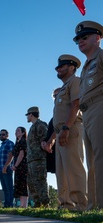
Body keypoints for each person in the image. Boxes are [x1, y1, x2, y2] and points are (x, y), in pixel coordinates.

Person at [46, 55, 87, 211]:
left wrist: (66, 128)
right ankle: (66, 204)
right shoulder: (63, 88)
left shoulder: (75, 82)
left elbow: (75, 105)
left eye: (62, 66)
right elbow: (58, 119)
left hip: (70, 130)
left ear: (71, 67)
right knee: (62, 172)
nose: (58, 69)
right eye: (57, 67)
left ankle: (81, 205)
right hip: (61, 132)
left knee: (74, 168)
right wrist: (51, 139)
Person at [73, 20, 103, 210]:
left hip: (100, 106)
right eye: (78, 40)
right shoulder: (85, 66)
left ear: (98, 38)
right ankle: (94, 205)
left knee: (101, 157)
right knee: (91, 162)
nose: (80, 41)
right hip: (87, 112)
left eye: (84, 37)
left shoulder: (101, 57)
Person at [26, 106, 49, 207]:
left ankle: (45, 203)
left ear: (31, 114)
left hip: (39, 158)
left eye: (28, 115)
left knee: (40, 180)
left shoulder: (40, 125)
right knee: (31, 182)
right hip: (31, 159)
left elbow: (44, 140)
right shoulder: (32, 127)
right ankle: (37, 203)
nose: (27, 117)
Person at [42, 88, 61, 174]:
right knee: (61, 180)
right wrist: (45, 142)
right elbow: (50, 133)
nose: (55, 98)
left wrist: (50, 141)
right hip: (55, 153)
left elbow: (62, 126)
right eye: (54, 96)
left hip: (66, 147)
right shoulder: (53, 118)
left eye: (58, 95)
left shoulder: (69, 110)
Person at [11, 126, 28, 208]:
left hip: (22, 166)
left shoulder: (23, 141)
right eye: (16, 130)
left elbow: (21, 154)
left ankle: (24, 204)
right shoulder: (17, 142)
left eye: (18, 131)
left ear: (23, 133)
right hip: (18, 166)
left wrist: (15, 165)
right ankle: (22, 204)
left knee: (23, 184)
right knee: (19, 184)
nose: (16, 132)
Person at [0, 129, 14, 208]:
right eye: (0, 135)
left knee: (9, 187)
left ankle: (10, 204)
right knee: (4, 188)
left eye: (3, 134)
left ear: (7, 135)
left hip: (6, 169)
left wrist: (6, 166)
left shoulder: (9, 143)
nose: (1, 136)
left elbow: (11, 155)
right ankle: (6, 204)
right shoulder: (2, 145)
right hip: (0, 169)